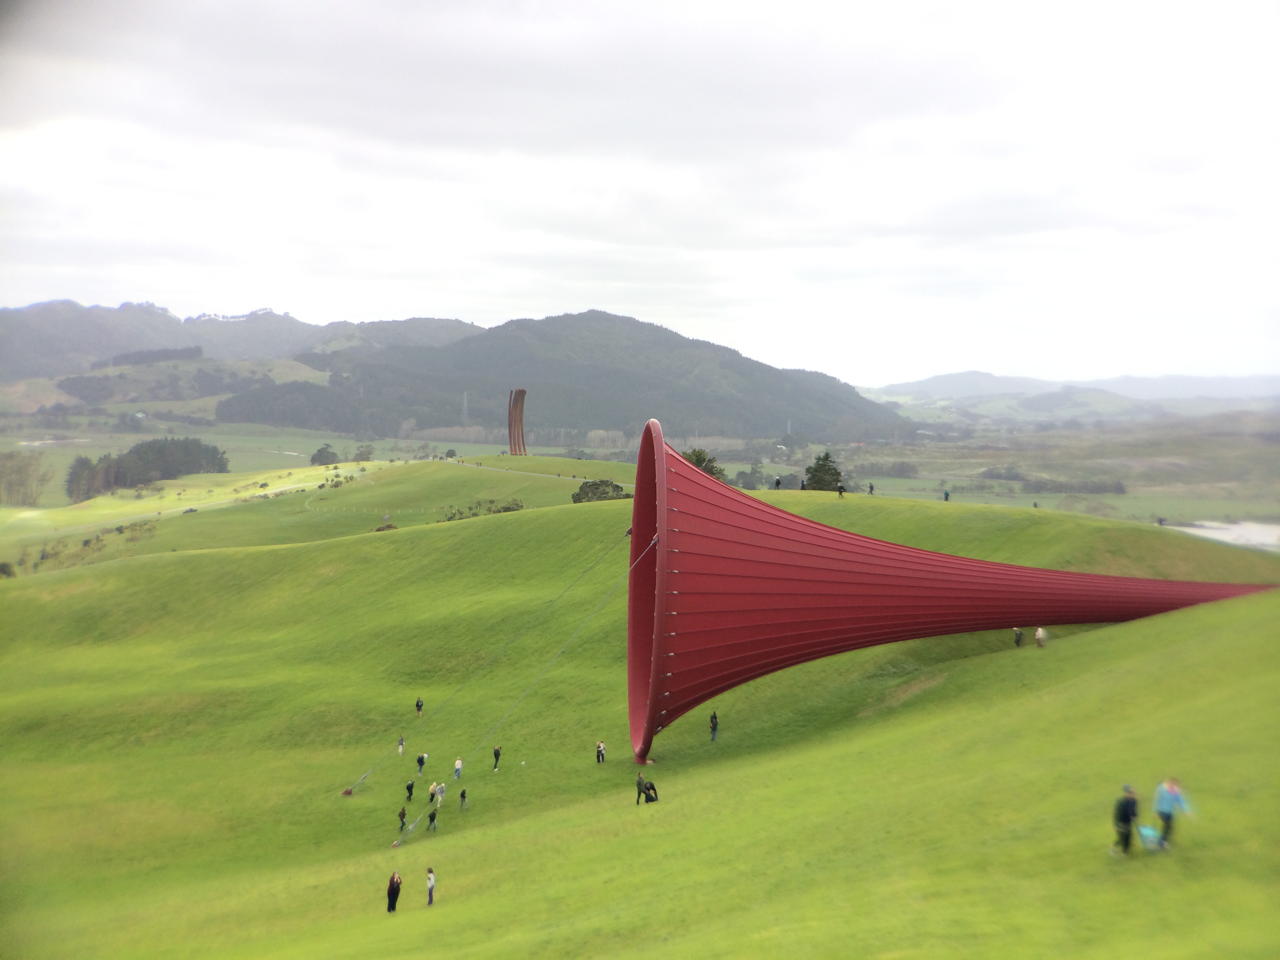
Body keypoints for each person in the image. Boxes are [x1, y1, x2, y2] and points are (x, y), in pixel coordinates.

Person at [1154, 777, 1191, 848]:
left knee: (1170, 828)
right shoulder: (1162, 790)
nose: (1174, 786)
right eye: (1172, 784)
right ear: (1169, 783)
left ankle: (1163, 841)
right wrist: (1156, 811)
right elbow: (1157, 800)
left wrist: (1186, 810)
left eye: (1175, 785)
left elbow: (1181, 802)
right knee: (1167, 826)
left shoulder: (1176, 792)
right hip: (1162, 811)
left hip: (1170, 812)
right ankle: (1162, 842)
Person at [1113, 785, 1138, 855]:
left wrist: (1135, 816)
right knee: (1122, 838)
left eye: (1133, 793)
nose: (1132, 794)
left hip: (1128, 822)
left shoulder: (1134, 801)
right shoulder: (1121, 802)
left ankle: (1125, 851)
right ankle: (1115, 848)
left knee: (1129, 836)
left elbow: (1134, 810)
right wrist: (1116, 824)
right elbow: (1117, 814)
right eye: (1130, 793)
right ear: (1126, 793)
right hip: (1121, 822)